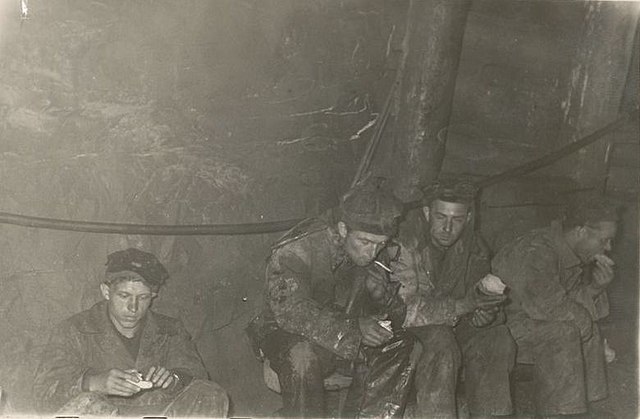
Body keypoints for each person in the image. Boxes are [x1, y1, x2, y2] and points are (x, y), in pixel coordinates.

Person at [246, 179, 406, 418]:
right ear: (343, 229)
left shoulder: (377, 252)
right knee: (301, 357)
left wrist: (382, 299)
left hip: (340, 331)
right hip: (283, 332)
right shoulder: (297, 249)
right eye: (365, 242)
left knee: (399, 344)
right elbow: (292, 313)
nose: (372, 253)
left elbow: (395, 312)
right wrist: (355, 329)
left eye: (380, 244)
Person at [366, 177, 515, 418]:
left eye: (457, 220)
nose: (448, 228)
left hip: (453, 324)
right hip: (407, 328)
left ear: (467, 218)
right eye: (441, 217)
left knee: (497, 338)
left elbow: (479, 304)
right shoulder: (404, 244)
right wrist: (465, 306)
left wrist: (485, 315)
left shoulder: (474, 248)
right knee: (441, 340)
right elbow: (405, 309)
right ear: (427, 213)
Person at [33, 248, 229, 417]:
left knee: (211, 393)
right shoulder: (75, 330)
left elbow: (198, 378)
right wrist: (92, 382)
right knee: (88, 404)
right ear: (106, 292)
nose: (133, 307)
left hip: (159, 413)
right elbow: (42, 395)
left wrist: (174, 380)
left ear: (153, 296)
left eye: (142, 297)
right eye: (124, 295)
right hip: (101, 414)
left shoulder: (170, 331)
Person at [492, 196, 619, 417]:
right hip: (502, 331)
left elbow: (564, 302)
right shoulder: (536, 250)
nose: (608, 248)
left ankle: (591, 406)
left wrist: (595, 289)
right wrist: (584, 322)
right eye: (604, 240)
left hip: (532, 324)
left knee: (577, 324)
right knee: (565, 330)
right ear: (581, 231)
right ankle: (563, 413)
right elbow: (549, 307)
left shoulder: (569, 254)